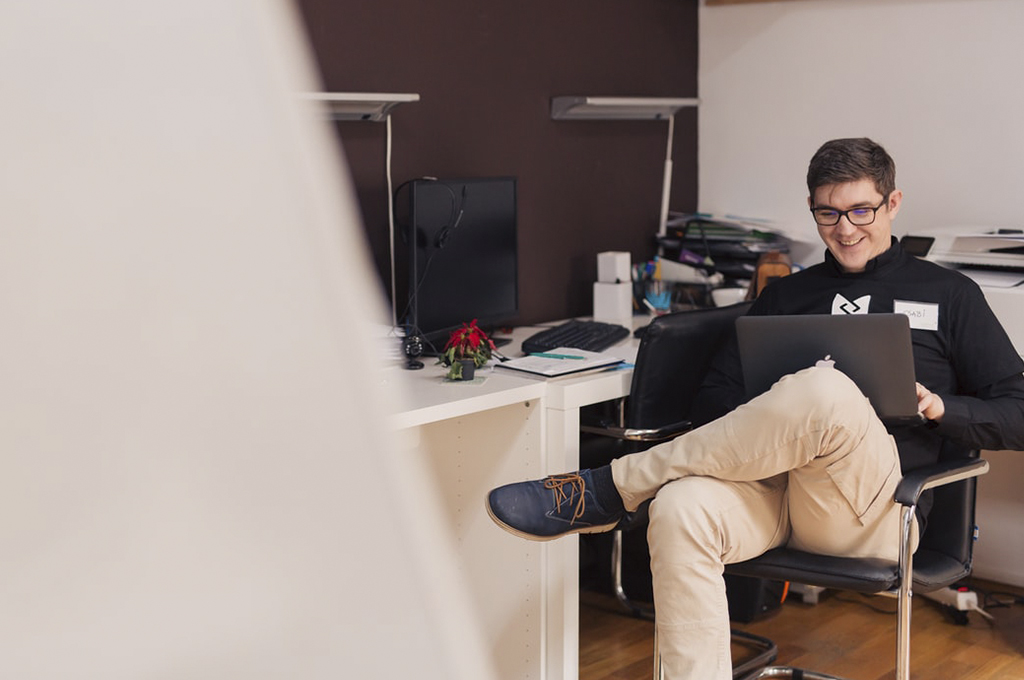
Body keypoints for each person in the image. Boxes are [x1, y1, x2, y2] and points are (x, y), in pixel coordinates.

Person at [486, 138, 1024, 679]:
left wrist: (938, 408)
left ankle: (608, 489)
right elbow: (713, 401)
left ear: (893, 203)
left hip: (876, 511)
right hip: (771, 494)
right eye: (828, 213)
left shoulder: (950, 295)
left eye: (862, 209)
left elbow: (1018, 411)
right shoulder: (787, 295)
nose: (845, 228)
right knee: (679, 507)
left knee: (826, 389)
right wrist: (771, 407)